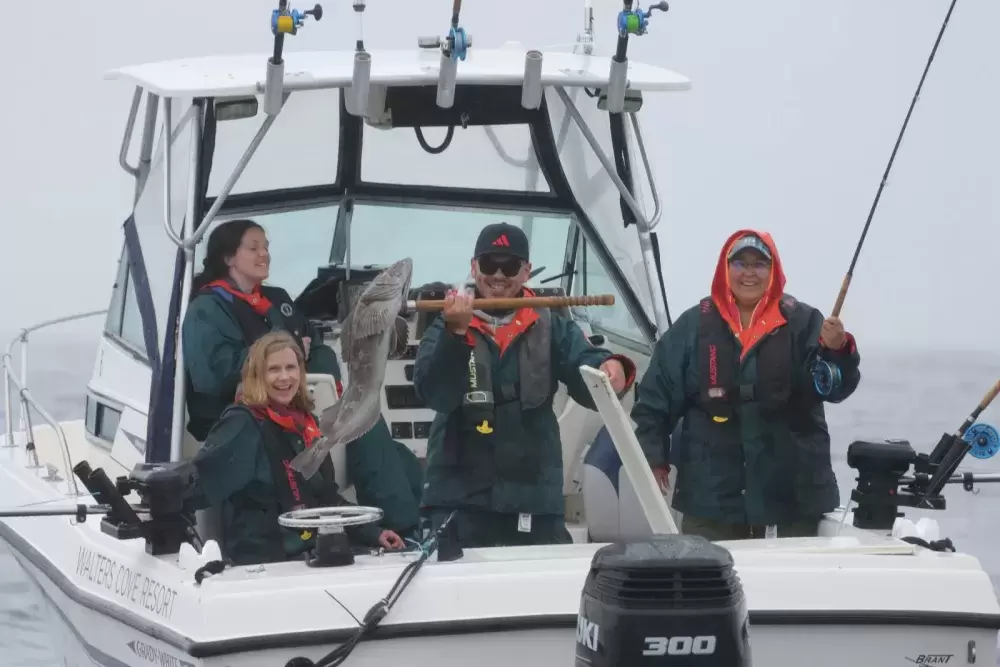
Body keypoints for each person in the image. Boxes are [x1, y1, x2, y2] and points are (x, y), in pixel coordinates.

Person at [413, 222, 637, 548]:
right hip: (458, 500)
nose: (499, 275)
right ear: (474, 268)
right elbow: (435, 394)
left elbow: (586, 369)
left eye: (510, 266)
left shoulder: (552, 326)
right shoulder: (445, 324)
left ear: (526, 271)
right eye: (490, 264)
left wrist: (613, 367)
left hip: (533, 500)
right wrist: (455, 336)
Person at [630, 229, 861, 541]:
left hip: (795, 496)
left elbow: (837, 387)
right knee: (707, 583)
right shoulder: (693, 325)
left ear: (774, 270)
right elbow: (654, 398)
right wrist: (654, 459)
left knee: (794, 585)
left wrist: (838, 348)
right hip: (712, 497)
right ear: (725, 269)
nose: (749, 273)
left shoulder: (805, 322)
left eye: (759, 264)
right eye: (740, 263)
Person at [192, 331, 404, 566]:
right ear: (257, 375)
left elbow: (326, 499)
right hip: (266, 559)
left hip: (312, 549)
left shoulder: (308, 424)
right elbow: (201, 479)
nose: (285, 377)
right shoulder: (241, 423)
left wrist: (374, 533)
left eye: (291, 368)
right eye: (274, 369)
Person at [182, 219, 342, 442]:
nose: (264, 254)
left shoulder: (278, 298)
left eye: (266, 247)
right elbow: (213, 376)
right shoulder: (206, 308)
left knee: (368, 427)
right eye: (254, 248)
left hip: (297, 406)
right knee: (366, 434)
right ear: (228, 258)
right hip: (236, 418)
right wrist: (284, 353)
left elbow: (316, 348)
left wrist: (331, 394)